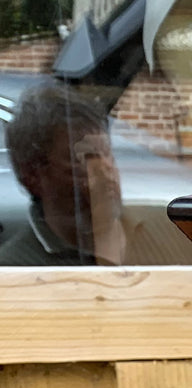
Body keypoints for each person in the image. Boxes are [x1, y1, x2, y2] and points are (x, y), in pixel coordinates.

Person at [0, 84, 126, 265]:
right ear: (33, 175)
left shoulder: (164, 227)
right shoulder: (15, 270)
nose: (106, 169)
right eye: (83, 158)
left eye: (107, 154)